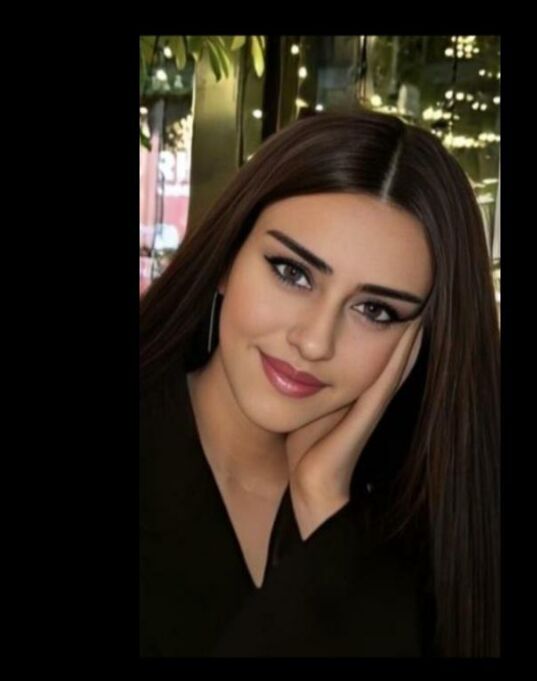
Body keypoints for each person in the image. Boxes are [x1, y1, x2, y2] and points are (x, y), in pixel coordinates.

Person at [140, 108, 500, 657]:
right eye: (292, 273)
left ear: (421, 343)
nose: (314, 342)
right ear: (227, 259)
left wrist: (325, 509)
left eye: (375, 310)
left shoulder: (435, 528)